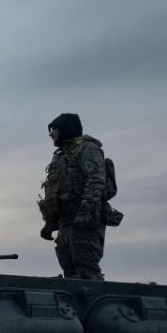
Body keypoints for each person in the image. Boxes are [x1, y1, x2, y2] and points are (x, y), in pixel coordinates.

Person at [39, 113, 113, 280]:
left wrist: (86, 212)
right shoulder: (61, 156)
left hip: (84, 221)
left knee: (86, 272)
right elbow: (55, 191)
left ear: (65, 129)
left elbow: (95, 180)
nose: (51, 134)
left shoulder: (87, 149)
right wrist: (50, 223)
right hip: (65, 223)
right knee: (70, 274)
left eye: (54, 129)